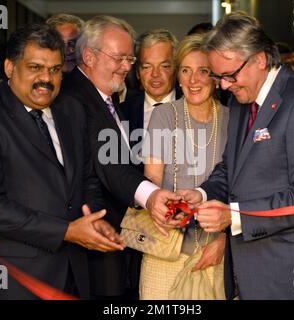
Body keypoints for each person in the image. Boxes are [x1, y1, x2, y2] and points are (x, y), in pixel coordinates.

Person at [178, 12, 294, 300]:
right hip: (251, 272)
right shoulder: (242, 99)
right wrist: (201, 195)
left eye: (230, 75)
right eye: (219, 77)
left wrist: (235, 216)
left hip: (291, 275)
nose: (224, 86)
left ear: (260, 59)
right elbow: (231, 169)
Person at [0, 23, 125, 299]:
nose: (46, 79)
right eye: (35, 68)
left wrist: (93, 218)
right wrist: (66, 231)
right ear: (10, 68)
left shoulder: (71, 110)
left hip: (73, 274)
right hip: (12, 280)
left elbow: (87, 179)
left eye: (54, 70)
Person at [61, 15, 180, 299]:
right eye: (119, 58)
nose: (127, 67)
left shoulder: (105, 95)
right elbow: (108, 165)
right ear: (89, 56)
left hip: (116, 238)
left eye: (129, 59)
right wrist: (151, 196)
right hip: (95, 236)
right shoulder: (75, 97)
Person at [139, 34, 229, 300]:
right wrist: (165, 209)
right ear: (178, 76)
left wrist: (226, 242)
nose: (193, 80)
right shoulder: (164, 115)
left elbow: (241, 188)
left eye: (203, 71)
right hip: (166, 250)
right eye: (186, 71)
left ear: (215, 77)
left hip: (217, 254)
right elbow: (151, 179)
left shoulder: (232, 119)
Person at [121, 29, 182, 171]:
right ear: (137, 72)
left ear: (176, 69)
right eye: (147, 67)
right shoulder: (122, 113)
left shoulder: (194, 106)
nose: (155, 74)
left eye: (165, 66)